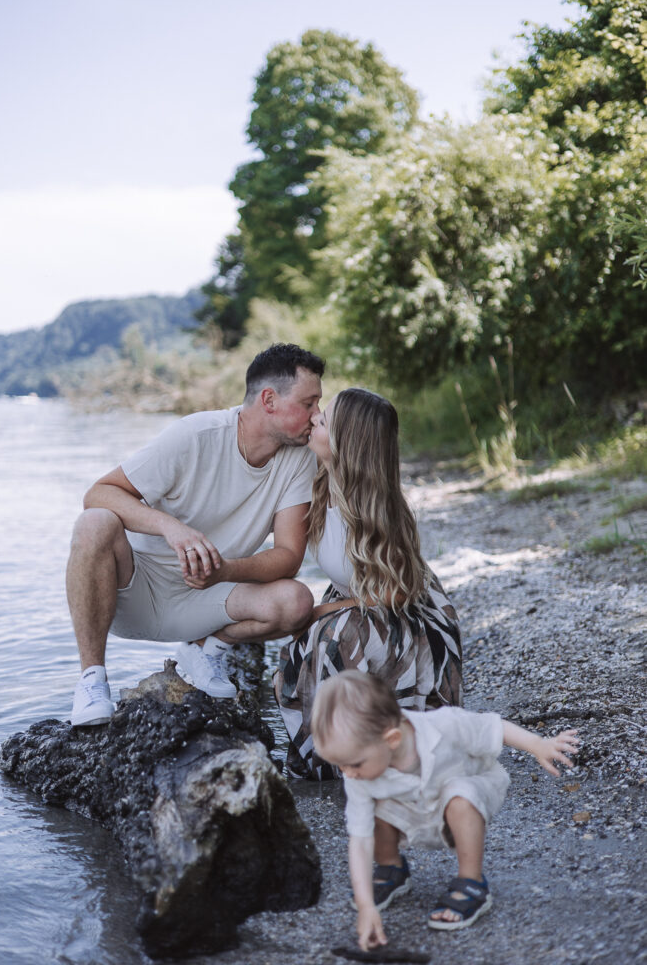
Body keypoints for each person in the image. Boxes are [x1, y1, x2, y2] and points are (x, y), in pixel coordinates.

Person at [67, 343, 324, 726]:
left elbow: (289, 556)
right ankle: (91, 679)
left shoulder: (300, 460)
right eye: (309, 403)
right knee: (94, 523)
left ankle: (206, 650)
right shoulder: (196, 435)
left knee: (296, 601)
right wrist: (171, 527)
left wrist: (223, 571)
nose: (317, 416)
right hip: (133, 592)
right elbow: (98, 494)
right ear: (269, 400)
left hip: (207, 600)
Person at [312, 671, 580, 950]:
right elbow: (359, 838)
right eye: (339, 765)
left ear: (391, 739)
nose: (348, 774)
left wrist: (538, 744)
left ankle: (471, 882)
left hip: (462, 798)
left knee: (460, 796)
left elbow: (493, 728)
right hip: (411, 808)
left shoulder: (444, 725)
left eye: (353, 763)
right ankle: (391, 867)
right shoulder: (360, 773)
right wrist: (366, 905)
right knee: (371, 804)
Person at [274, 387, 463, 783]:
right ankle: (329, 750)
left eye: (322, 421)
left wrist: (326, 611)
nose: (312, 421)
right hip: (355, 601)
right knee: (304, 637)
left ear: (347, 444)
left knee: (332, 636)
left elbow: (398, 592)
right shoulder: (320, 483)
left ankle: (361, 750)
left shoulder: (377, 510)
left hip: (404, 616)